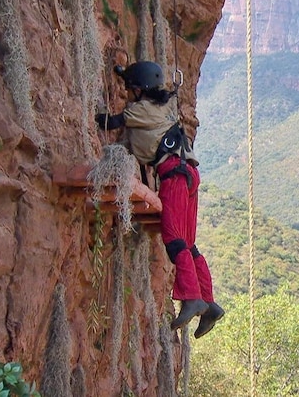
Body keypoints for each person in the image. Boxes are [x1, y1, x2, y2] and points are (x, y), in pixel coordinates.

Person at [95, 60, 224, 338]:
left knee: (173, 238)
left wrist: (89, 113)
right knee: (189, 244)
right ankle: (209, 303)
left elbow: (111, 122)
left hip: (174, 177)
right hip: (190, 173)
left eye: (130, 89)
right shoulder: (165, 105)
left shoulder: (139, 110)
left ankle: (192, 298)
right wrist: (124, 75)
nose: (128, 94)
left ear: (139, 90)